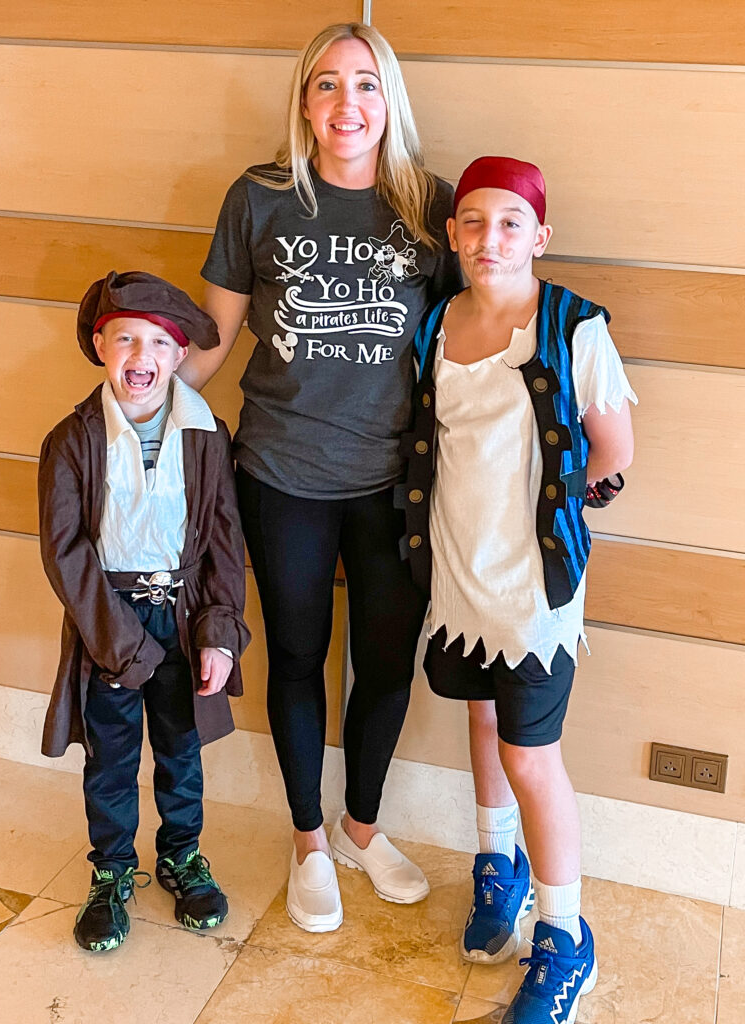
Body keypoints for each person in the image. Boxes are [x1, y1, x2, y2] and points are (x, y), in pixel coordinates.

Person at [179, 22, 462, 932]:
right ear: (305, 100)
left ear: (391, 100)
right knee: (299, 656)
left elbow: (476, 335)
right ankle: (308, 842)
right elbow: (214, 344)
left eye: (367, 85)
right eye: (329, 85)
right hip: (282, 472)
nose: (349, 104)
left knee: (385, 662)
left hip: (397, 484)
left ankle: (360, 827)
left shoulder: (431, 204)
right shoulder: (260, 198)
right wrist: (135, 404)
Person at [398, 157, 636, 1022]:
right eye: (470, 222)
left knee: (531, 756)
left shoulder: (574, 328)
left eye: (507, 222)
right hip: (457, 578)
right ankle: (495, 866)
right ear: (452, 236)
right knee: (483, 717)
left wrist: (561, 526)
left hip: (533, 590)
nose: (486, 238)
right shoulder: (436, 324)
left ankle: (566, 936)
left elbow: (614, 454)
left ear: (540, 236)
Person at [38, 271, 251, 952]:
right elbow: (65, 553)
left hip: (185, 619)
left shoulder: (207, 436)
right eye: (126, 338)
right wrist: (121, 645)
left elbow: (224, 539)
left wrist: (219, 632)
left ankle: (181, 856)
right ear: (101, 345)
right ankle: (110, 871)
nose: (142, 355)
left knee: (180, 748)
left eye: (159, 341)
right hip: (111, 622)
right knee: (111, 754)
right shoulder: (72, 440)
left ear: (180, 354)